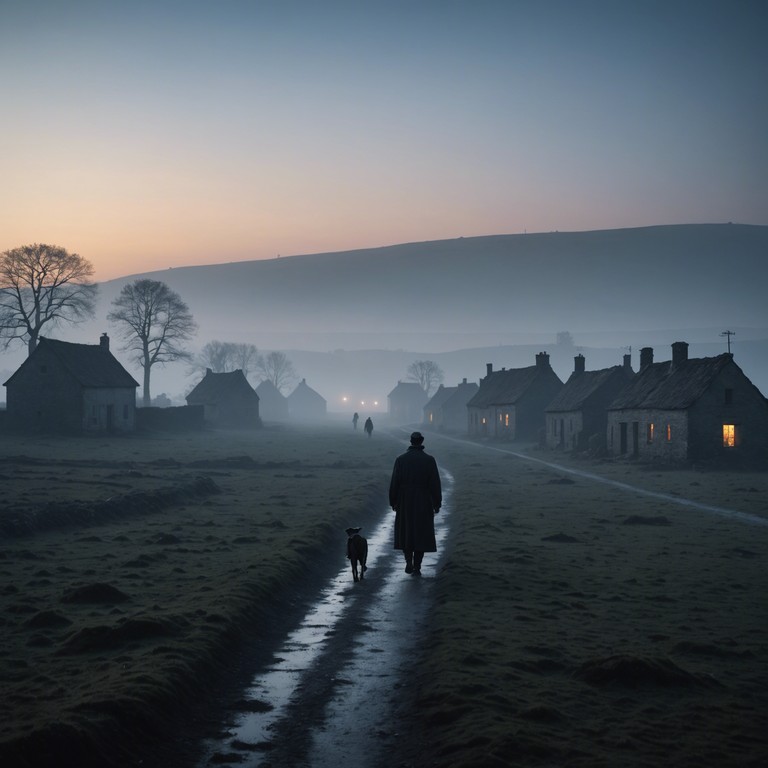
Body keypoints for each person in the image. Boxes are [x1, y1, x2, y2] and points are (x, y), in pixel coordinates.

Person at [389, 431, 441, 575]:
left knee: (406, 531)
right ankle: (417, 566)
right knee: (421, 532)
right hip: (423, 499)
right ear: (421, 441)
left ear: (411, 441)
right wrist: (437, 503)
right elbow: (435, 484)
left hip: (405, 500)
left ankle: (408, 561)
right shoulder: (429, 460)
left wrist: (393, 501)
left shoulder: (401, 460)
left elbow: (395, 482)